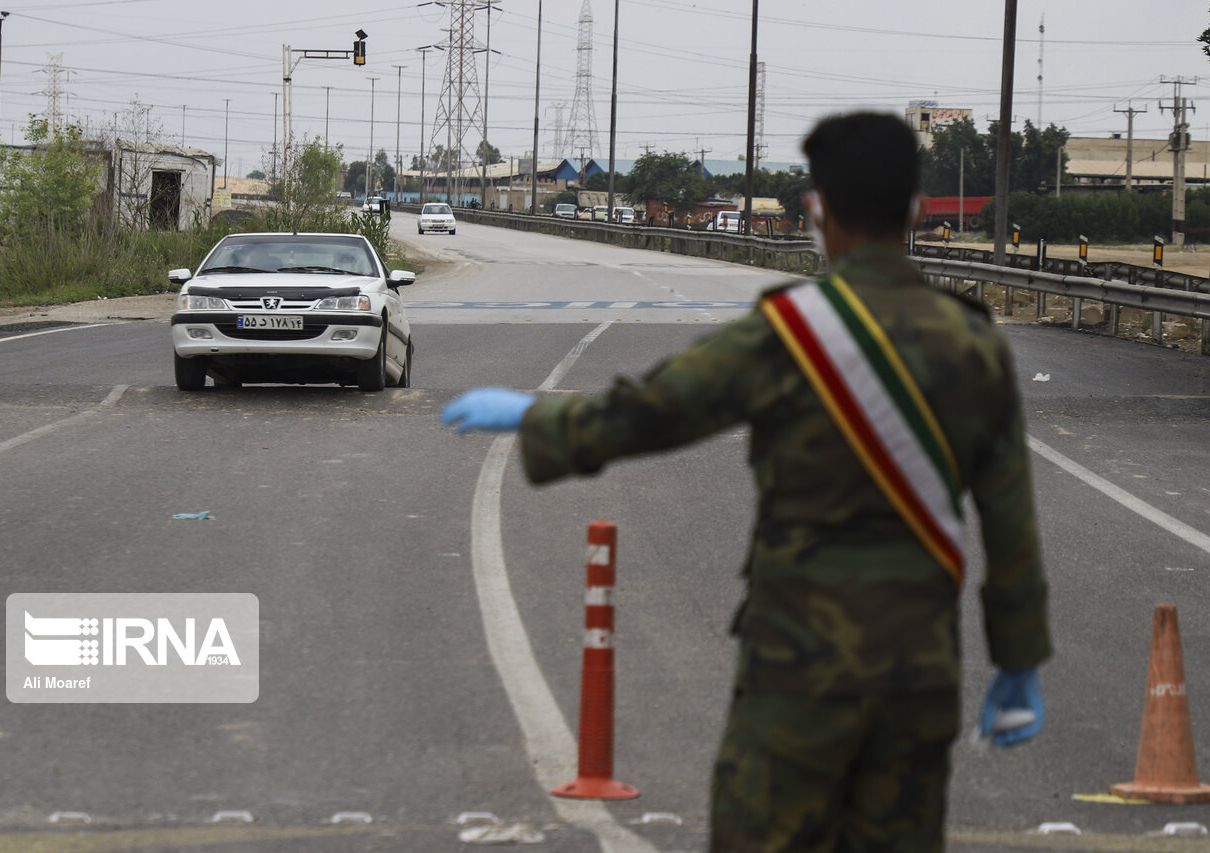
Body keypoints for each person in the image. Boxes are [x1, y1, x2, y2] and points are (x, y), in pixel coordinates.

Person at [440, 111, 1050, 852]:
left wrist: (537, 422)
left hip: (798, 663)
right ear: (918, 212)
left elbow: (659, 411)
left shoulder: (789, 332)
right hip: (915, 672)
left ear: (818, 212)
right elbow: (1010, 519)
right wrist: (1017, 659)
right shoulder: (975, 344)